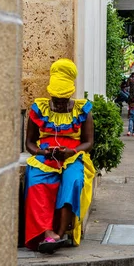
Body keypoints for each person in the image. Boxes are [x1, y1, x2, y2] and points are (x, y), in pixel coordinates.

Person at [24, 59, 95, 254]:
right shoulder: (38, 109)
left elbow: (89, 142)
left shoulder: (83, 110)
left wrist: (72, 152)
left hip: (73, 155)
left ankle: (62, 233)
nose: (59, 103)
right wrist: (41, 152)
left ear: (71, 92)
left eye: (63, 99)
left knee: (73, 180)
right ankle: (47, 232)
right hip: (45, 155)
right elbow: (29, 143)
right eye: (56, 98)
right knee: (34, 179)